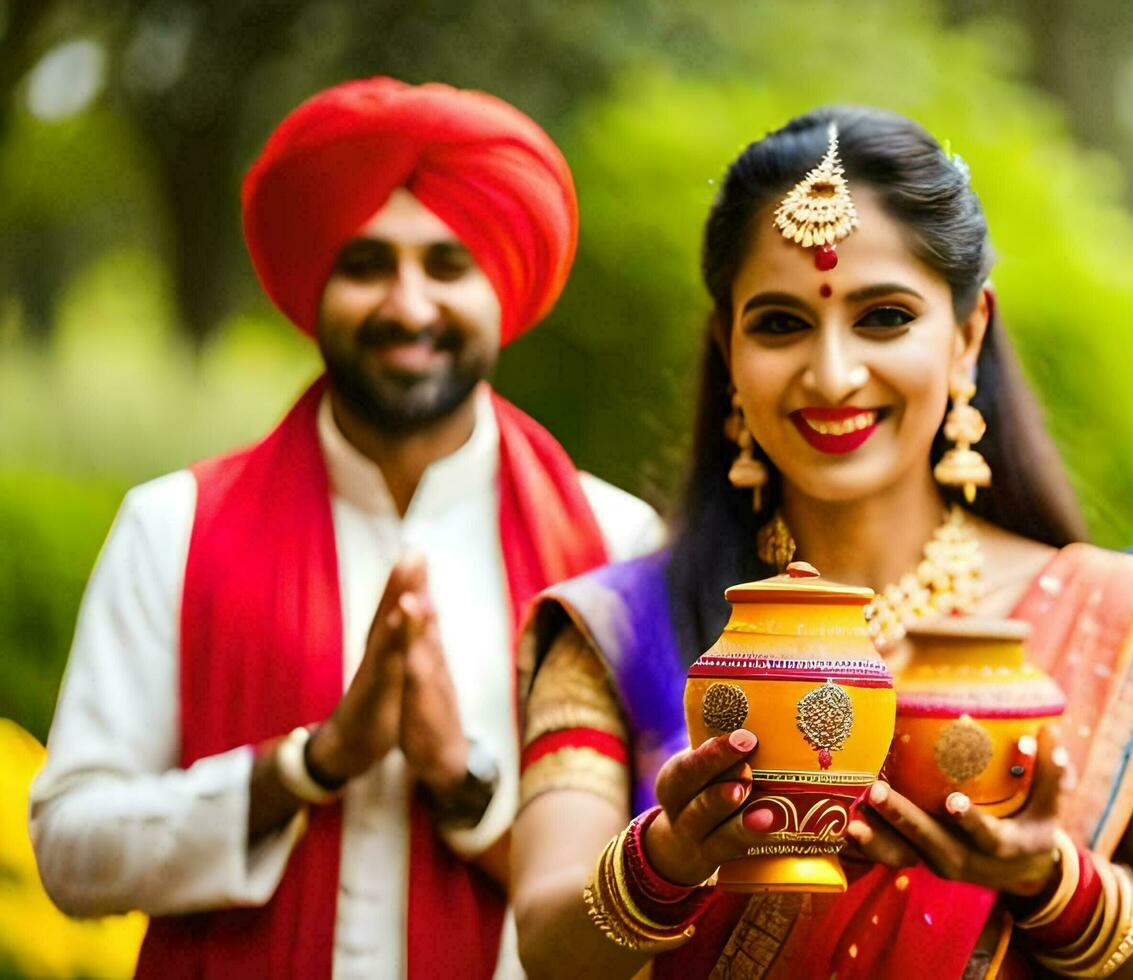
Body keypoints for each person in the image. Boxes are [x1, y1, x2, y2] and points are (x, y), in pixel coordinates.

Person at [510, 106, 1133, 979]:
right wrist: (668, 860)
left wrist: (1050, 882)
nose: (833, 374)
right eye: (781, 324)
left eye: (884, 317)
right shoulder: (621, 627)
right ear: (729, 348)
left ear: (968, 335)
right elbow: (547, 945)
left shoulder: (1114, 621)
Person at [28, 77, 662, 978]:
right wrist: (306, 766)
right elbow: (69, 852)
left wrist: (460, 783)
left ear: (502, 286)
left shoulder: (611, 547)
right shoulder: (172, 528)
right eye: (367, 265)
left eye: (448, 265)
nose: (408, 307)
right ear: (316, 284)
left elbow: (653, 893)